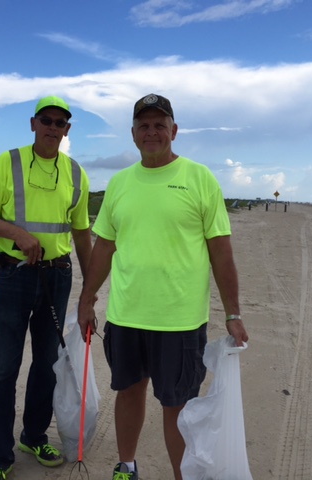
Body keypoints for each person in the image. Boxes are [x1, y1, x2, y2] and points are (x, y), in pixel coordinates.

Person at [77, 94, 249, 480]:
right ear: (134, 134)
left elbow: (221, 252)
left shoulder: (199, 178)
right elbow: (104, 246)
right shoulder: (120, 184)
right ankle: (127, 466)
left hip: (180, 321)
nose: (151, 131)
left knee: (178, 407)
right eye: (144, 125)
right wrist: (87, 299)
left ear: (174, 130)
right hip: (125, 316)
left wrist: (233, 312)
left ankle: (181, 475)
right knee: (129, 392)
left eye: (159, 124)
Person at [0, 96, 93, 480]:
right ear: (32, 123)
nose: (52, 128)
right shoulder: (7, 163)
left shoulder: (76, 173)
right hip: (14, 275)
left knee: (46, 366)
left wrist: (90, 292)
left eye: (60, 123)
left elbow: (81, 233)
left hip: (57, 276)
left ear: (67, 130)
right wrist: (17, 234)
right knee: (3, 370)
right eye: (46, 120)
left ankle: (34, 436)